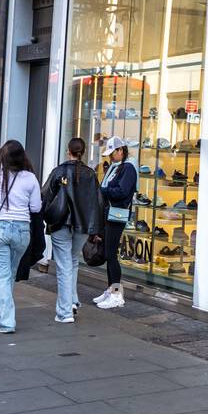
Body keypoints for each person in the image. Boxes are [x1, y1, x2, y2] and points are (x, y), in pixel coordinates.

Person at [0, 140, 42, 333]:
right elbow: (36, 207)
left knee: (2, 276)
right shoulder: (30, 178)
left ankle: (6, 322)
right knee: (9, 275)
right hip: (22, 231)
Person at [41, 137, 103, 323]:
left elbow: (44, 195)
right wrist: (96, 228)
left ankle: (65, 312)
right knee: (72, 260)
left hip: (61, 223)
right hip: (83, 225)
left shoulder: (59, 171)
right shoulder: (90, 174)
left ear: (68, 151)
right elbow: (98, 202)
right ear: (82, 152)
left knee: (64, 265)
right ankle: (73, 301)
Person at [92, 136, 137, 309]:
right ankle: (112, 290)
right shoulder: (119, 167)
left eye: (112, 153)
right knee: (109, 254)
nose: (110, 158)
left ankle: (117, 294)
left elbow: (122, 191)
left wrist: (104, 190)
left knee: (111, 255)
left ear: (120, 151)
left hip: (116, 215)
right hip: (110, 214)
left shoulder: (128, 168)